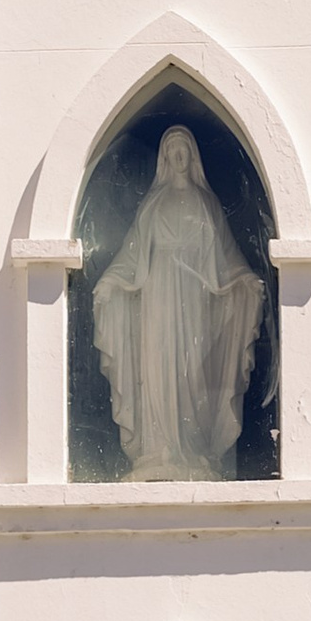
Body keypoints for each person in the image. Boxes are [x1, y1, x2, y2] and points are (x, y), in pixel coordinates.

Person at [91, 127, 264, 479]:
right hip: (156, 296)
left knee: (192, 368)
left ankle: (193, 447)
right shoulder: (152, 205)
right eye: (171, 150)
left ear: (192, 155)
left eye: (183, 148)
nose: (178, 155)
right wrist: (110, 282)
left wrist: (246, 281)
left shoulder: (205, 203)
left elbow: (224, 255)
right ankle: (156, 448)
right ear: (165, 158)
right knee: (156, 366)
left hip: (193, 297)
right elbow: (132, 253)